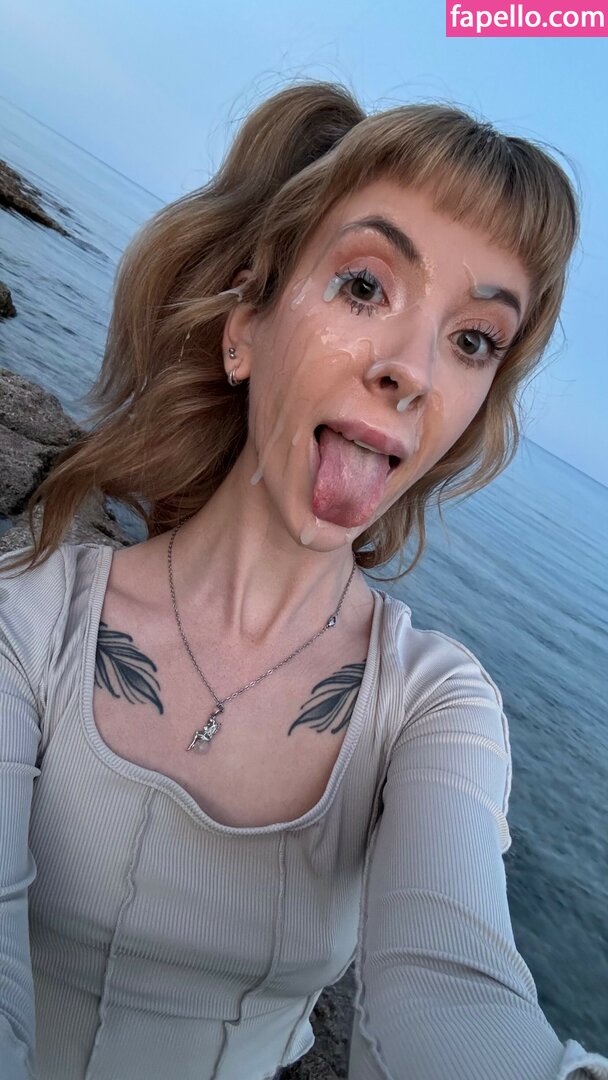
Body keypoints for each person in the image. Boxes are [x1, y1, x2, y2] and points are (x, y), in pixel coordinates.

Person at [0, 80, 606, 1080]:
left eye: (472, 341)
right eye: (365, 286)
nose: (413, 371)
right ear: (247, 323)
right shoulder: (30, 613)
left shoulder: (433, 707)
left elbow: (452, 991)